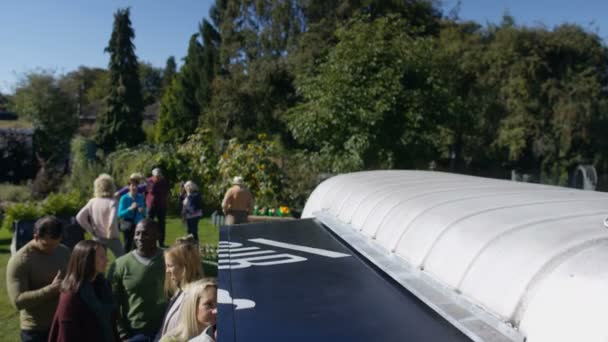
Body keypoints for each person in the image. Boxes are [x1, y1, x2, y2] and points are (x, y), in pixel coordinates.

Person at [6, 216, 70, 342]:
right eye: (47, 245)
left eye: (56, 244)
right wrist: (50, 289)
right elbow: (18, 301)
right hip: (36, 331)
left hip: (62, 325)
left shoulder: (63, 251)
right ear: (36, 237)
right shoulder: (20, 261)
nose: (52, 249)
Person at [108, 219, 167, 342]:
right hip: (133, 333)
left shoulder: (169, 260)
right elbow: (111, 302)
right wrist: (121, 333)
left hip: (166, 329)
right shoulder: (120, 265)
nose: (139, 238)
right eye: (137, 233)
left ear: (157, 236)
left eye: (145, 233)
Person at [48, 240, 119, 342]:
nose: (107, 260)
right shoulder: (71, 295)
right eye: (102, 257)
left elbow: (111, 323)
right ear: (88, 261)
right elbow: (66, 334)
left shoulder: (104, 285)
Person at [156, 236, 204, 340]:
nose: (167, 271)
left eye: (170, 266)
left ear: (184, 266)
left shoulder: (195, 297)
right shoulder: (179, 290)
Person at [76, 173, 124, 258]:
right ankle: (119, 271)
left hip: (97, 236)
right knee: (122, 258)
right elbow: (112, 221)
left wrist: (91, 230)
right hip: (112, 236)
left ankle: (100, 271)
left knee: (98, 260)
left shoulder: (92, 201)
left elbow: (79, 217)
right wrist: (110, 233)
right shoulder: (112, 202)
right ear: (111, 186)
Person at [118, 177, 147, 252]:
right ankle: (126, 261)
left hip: (139, 225)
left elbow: (144, 212)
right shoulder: (124, 198)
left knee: (138, 245)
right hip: (128, 225)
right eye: (132, 185)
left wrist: (143, 210)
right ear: (129, 187)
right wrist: (129, 209)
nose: (134, 187)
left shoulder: (140, 196)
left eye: (136, 185)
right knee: (127, 245)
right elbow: (120, 214)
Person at [147, 168, 170, 248]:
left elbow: (164, 192)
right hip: (151, 205)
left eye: (159, 175)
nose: (158, 177)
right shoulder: (150, 180)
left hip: (161, 205)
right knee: (149, 223)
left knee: (161, 224)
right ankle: (149, 241)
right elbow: (151, 191)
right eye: (156, 176)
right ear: (153, 175)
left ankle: (161, 242)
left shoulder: (164, 181)